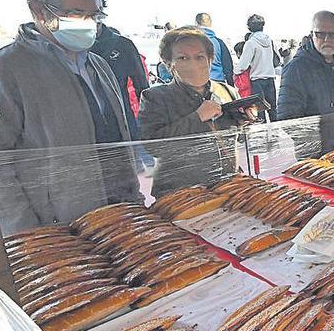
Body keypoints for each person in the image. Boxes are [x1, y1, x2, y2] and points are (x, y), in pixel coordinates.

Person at [0, 0, 142, 231]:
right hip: (58, 225)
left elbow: (117, 137)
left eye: (94, 15)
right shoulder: (3, 69)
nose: (88, 24)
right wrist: (24, 230)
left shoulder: (98, 64)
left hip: (120, 210)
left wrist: (134, 196)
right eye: (76, 14)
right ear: (38, 10)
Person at [139, 26, 245, 197]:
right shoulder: (155, 97)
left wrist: (244, 121)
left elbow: (238, 138)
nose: (193, 64)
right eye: (183, 58)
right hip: (179, 195)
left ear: (210, 60)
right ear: (169, 64)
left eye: (199, 57)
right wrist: (197, 117)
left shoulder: (227, 91)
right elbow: (154, 146)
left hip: (226, 189)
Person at [277, 11, 334, 152]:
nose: (327, 40)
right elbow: (287, 117)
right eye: (321, 34)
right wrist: (315, 146)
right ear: (312, 34)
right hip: (316, 157)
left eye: (333, 35)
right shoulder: (296, 69)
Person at [90, 23, 154, 173]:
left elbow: (142, 85)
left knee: (129, 172)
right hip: (87, 127)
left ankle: (143, 165)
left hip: (121, 118)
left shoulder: (122, 45)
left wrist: (149, 116)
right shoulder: (67, 49)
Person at [236, 14, 279, 122]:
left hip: (256, 81)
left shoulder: (251, 43)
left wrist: (235, 71)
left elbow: (243, 65)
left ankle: (263, 137)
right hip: (270, 79)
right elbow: (277, 59)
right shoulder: (270, 41)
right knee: (273, 110)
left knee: (260, 112)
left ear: (249, 27)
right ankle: (278, 134)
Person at [196, 12, 234, 86]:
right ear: (210, 23)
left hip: (198, 84)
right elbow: (228, 66)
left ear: (197, 23)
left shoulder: (191, 43)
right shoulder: (218, 42)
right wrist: (231, 86)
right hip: (218, 83)